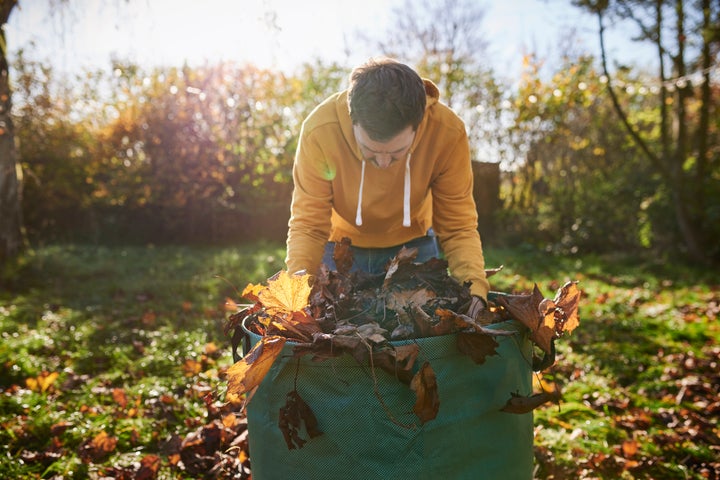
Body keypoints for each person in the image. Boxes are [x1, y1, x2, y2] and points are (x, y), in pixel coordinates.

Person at [285, 57, 488, 318]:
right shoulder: (320, 131)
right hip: (339, 249)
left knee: (420, 333)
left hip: (413, 247)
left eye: (396, 153)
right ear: (352, 119)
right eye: (369, 150)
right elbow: (308, 225)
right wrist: (296, 290)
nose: (382, 163)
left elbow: (458, 225)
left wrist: (474, 290)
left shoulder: (447, 132)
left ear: (420, 124)